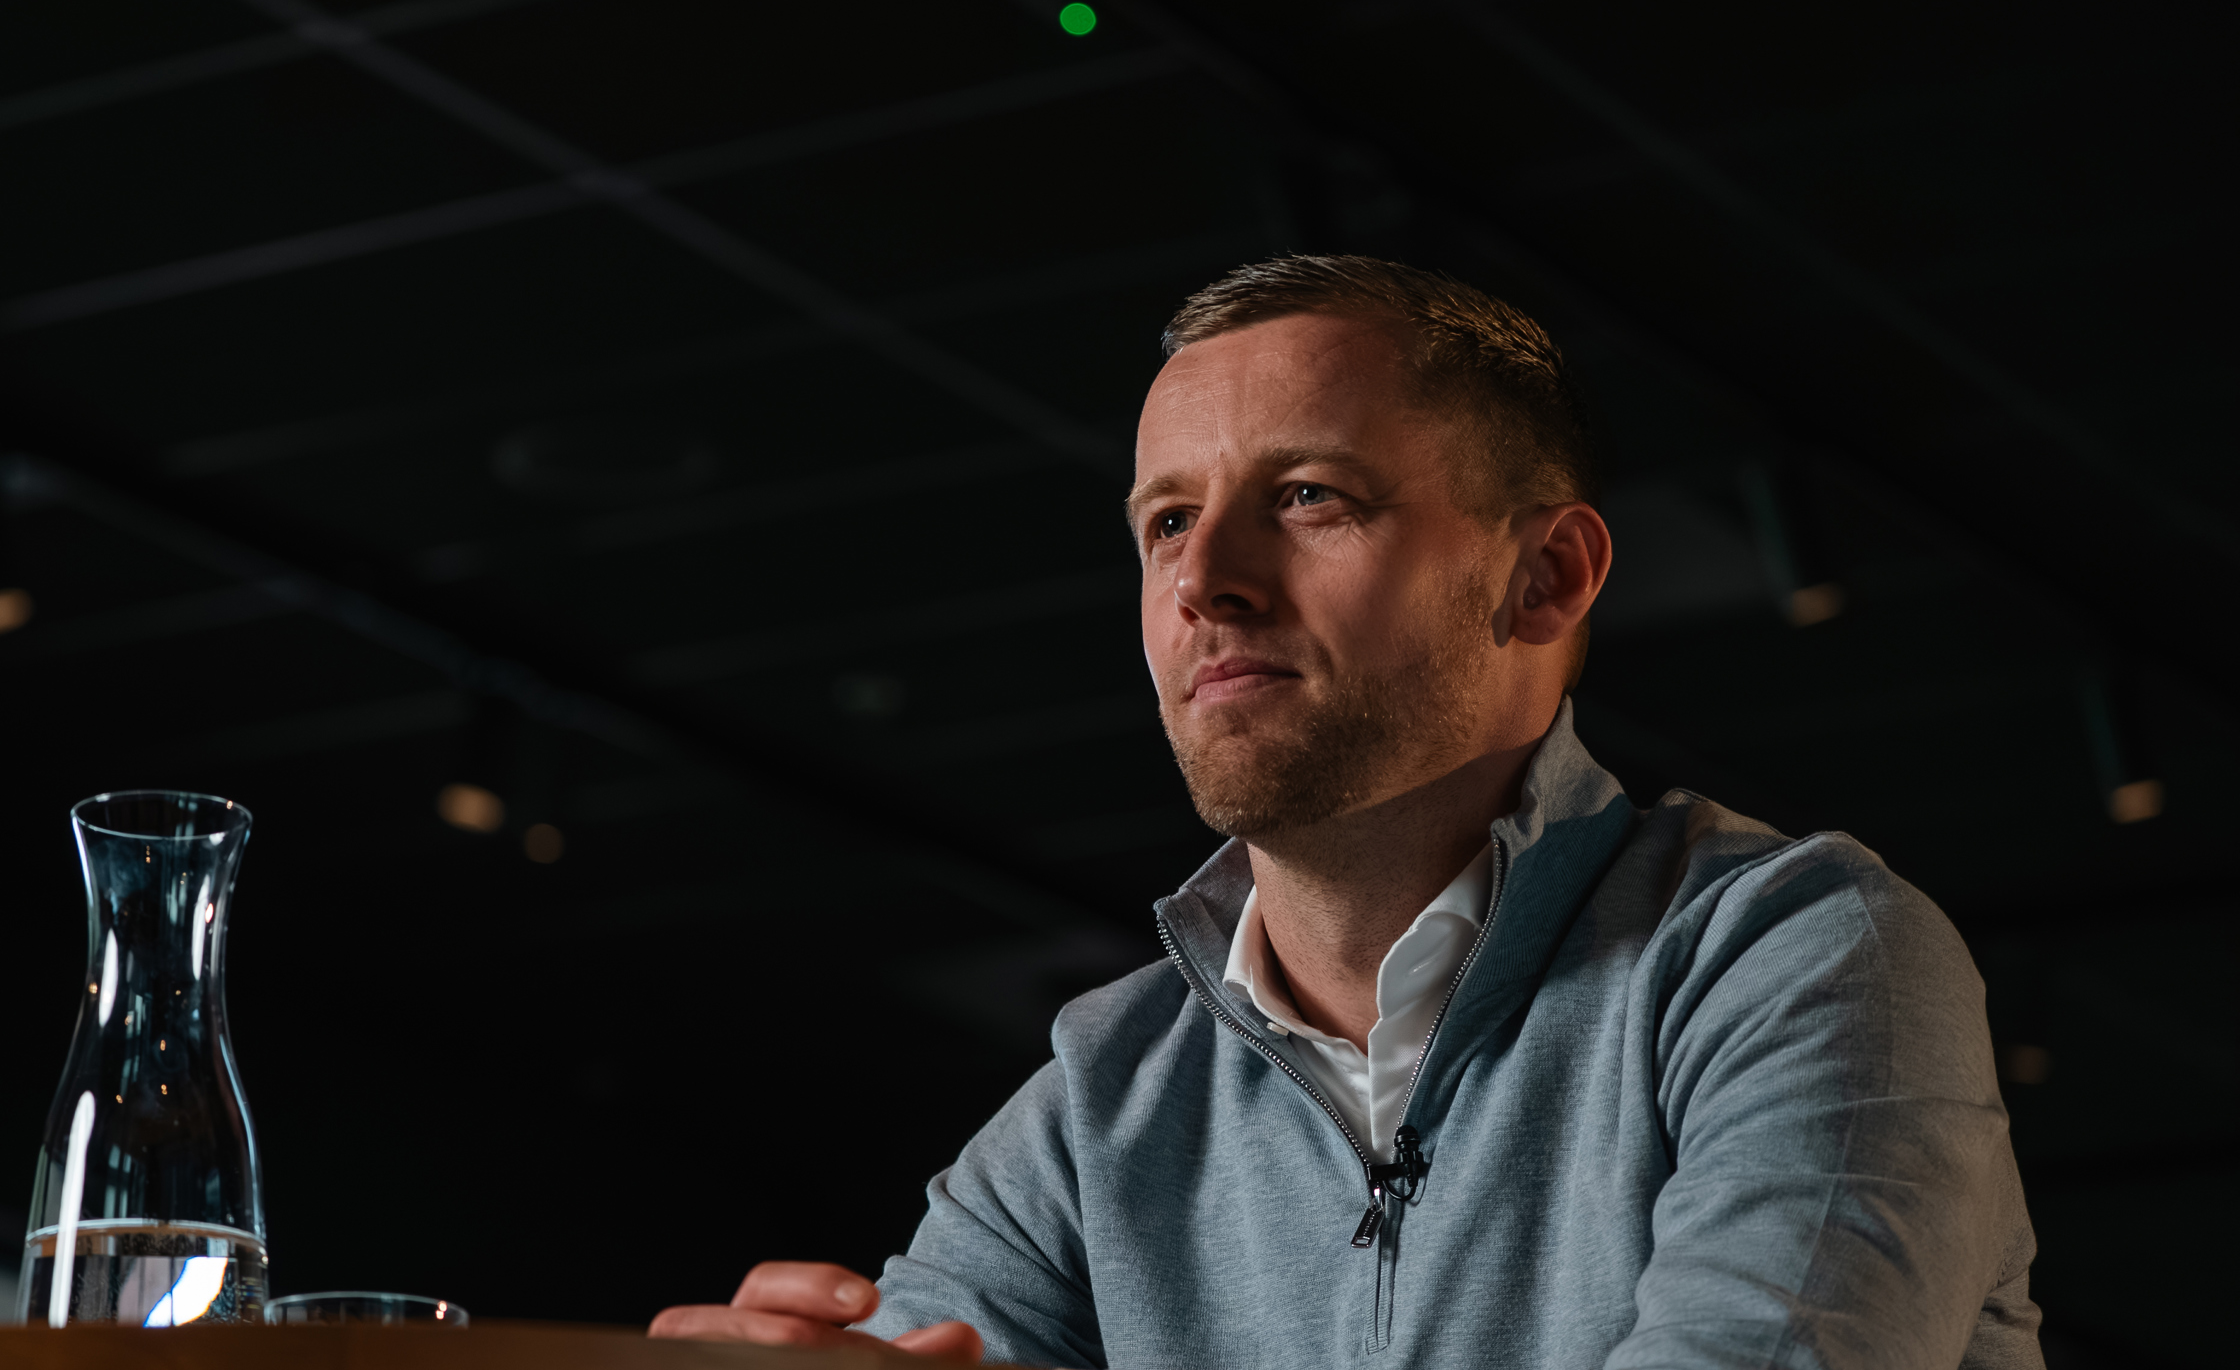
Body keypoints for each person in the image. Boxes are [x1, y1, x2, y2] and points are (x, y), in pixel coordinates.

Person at [649, 256, 2040, 1367]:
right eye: (1167, 522)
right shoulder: (1100, 1100)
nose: (1204, 580)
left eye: (1309, 497)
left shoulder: (1794, 957)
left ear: (1547, 578)